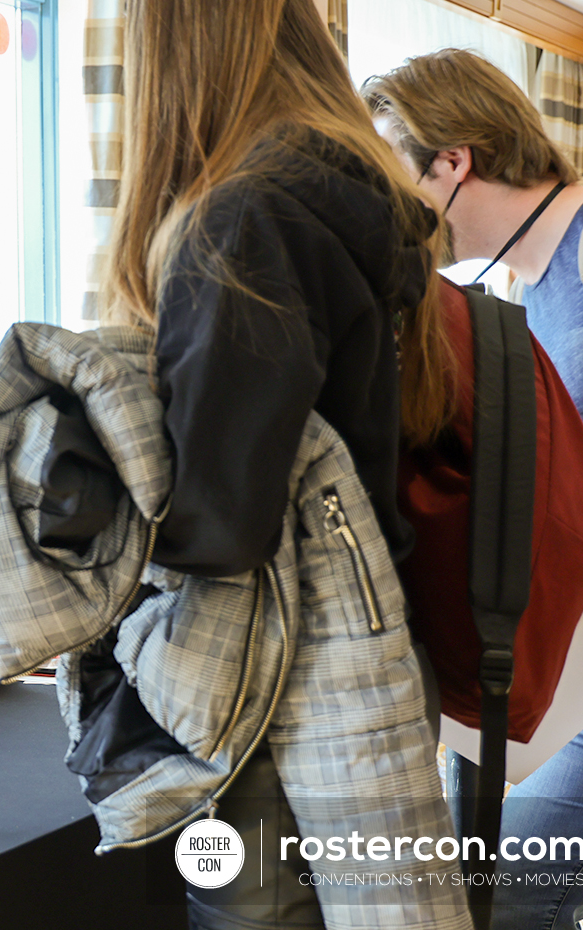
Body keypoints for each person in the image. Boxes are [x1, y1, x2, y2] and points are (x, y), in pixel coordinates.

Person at [104, 1, 467, 927]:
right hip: (372, 658)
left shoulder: (245, 220)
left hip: (270, 693)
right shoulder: (361, 199)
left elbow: (221, 518)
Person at [364, 49, 583, 930]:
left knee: (506, 897)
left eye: (396, 166)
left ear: (451, 160)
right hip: (564, 644)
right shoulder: (514, 295)